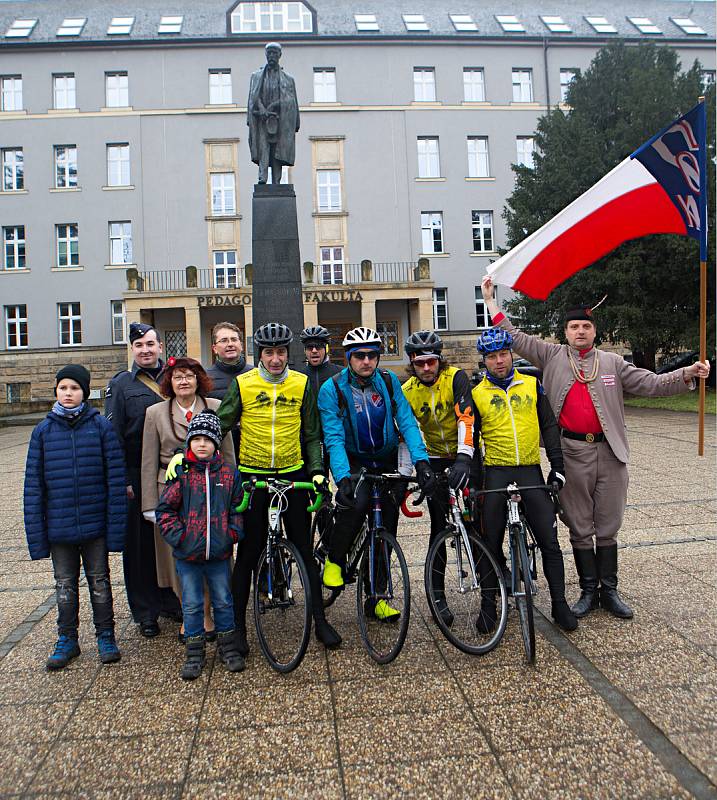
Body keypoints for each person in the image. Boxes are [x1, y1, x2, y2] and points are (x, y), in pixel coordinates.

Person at [481, 275, 711, 620]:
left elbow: (650, 383)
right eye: (574, 326)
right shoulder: (552, 355)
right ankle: (588, 590)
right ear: (566, 332)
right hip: (572, 453)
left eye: (585, 326)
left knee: (608, 523)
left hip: (610, 452)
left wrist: (688, 373)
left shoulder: (613, 363)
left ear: (594, 331)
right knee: (578, 522)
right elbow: (515, 337)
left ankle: (610, 591)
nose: (580, 332)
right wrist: (490, 301)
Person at [213, 322, 341, 654]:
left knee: (304, 550)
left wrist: (316, 472)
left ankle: (320, 621)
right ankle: (238, 629)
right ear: (259, 353)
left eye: (281, 352)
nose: (275, 359)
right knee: (247, 555)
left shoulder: (300, 384)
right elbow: (220, 424)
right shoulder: (243, 384)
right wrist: (189, 453)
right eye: (269, 352)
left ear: (288, 352)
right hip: (254, 477)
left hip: (292, 475)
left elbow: (312, 434)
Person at [317, 326, 437, 619]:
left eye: (372, 355)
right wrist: (343, 477)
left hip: (385, 459)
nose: (366, 361)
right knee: (354, 505)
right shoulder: (331, 389)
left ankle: (378, 597)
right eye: (359, 356)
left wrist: (421, 462)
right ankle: (334, 559)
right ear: (348, 358)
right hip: (354, 459)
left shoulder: (387, 381)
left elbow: (406, 421)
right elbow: (332, 437)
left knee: (386, 526)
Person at [472, 329, 576, 632]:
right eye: (491, 357)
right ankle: (488, 606)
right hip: (496, 472)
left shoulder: (532, 383)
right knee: (489, 543)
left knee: (549, 540)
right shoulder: (478, 393)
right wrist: (475, 480)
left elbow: (549, 425)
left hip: (529, 469)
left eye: (503, 354)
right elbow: (472, 439)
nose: (499, 361)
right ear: (485, 361)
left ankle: (560, 604)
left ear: (511, 354)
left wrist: (557, 466)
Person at [24, 365, 127, 669]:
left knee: (100, 582)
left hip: (95, 524)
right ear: (56, 391)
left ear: (85, 392)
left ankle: (106, 636)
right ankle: (67, 639)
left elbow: (115, 480)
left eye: (74, 388)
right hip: (59, 527)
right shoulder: (43, 431)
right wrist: (37, 535)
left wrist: (115, 527)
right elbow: (34, 486)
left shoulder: (100, 428)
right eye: (63, 388)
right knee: (65, 584)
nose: (68, 394)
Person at [142, 357, 235, 640]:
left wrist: (233, 492)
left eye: (189, 376)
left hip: (211, 492)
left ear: (199, 380)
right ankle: (188, 613)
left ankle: (208, 613)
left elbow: (228, 454)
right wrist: (149, 504)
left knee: (213, 551)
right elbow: (147, 460)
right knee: (177, 557)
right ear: (169, 382)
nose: (184, 381)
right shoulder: (155, 412)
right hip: (171, 493)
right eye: (178, 376)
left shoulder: (216, 408)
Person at [105, 322, 182, 637]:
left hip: (170, 470)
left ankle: (170, 599)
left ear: (160, 347)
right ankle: (145, 610)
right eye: (139, 346)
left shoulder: (176, 377)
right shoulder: (121, 385)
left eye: (150, 344)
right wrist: (122, 479)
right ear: (132, 350)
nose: (146, 350)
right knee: (138, 546)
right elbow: (114, 436)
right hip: (136, 472)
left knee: (169, 540)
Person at [157, 410, 246, 680]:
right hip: (188, 554)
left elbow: (238, 508)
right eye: (196, 439)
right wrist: (179, 537)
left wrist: (232, 533)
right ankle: (194, 652)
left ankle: (228, 648)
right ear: (189, 442)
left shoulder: (229, 475)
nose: (202, 444)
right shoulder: (182, 475)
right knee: (193, 604)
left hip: (219, 553)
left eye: (208, 439)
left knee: (223, 600)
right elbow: (165, 511)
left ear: (217, 443)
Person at [401, 330, 478, 625]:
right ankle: (437, 596)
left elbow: (466, 418)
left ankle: (491, 591)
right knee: (438, 529)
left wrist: (463, 458)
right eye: (420, 364)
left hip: (465, 453)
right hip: (433, 456)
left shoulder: (455, 377)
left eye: (431, 362)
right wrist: (413, 473)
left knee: (478, 522)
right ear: (412, 362)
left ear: (439, 360)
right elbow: (406, 435)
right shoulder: (407, 389)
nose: (427, 369)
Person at [247, 42, 300, 185]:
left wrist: (275, 105)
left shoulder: (288, 79)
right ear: (266, 55)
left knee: (278, 150)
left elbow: (291, 101)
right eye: (269, 53)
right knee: (264, 148)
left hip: (281, 120)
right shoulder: (257, 77)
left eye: (274, 53)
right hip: (262, 120)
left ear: (280, 55)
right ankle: (262, 178)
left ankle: (276, 181)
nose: (271, 56)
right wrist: (262, 108)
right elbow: (253, 97)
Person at [296, 325, 342, 394]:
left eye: (319, 346)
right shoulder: (298, 376)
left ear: (326, 349)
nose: (314, 350)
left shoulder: (341, 373)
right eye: (309, 347)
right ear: (305, 351)